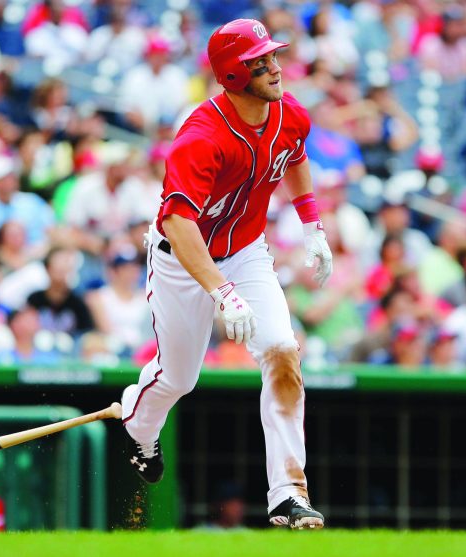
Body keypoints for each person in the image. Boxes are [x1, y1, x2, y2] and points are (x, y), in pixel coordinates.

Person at [120, 19, 331, 530]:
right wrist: (221, 292)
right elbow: (178, 223)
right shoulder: (201, 136)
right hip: (182, 259)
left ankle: (288, 492)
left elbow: (295, 154)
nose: (275, 67)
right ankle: (139, 428)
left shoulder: (288, 112)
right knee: (178, 378)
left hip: (245, 251)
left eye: (273, 57)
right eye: (260, 62)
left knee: (281, 350)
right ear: (234, 74)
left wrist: (311, 225)